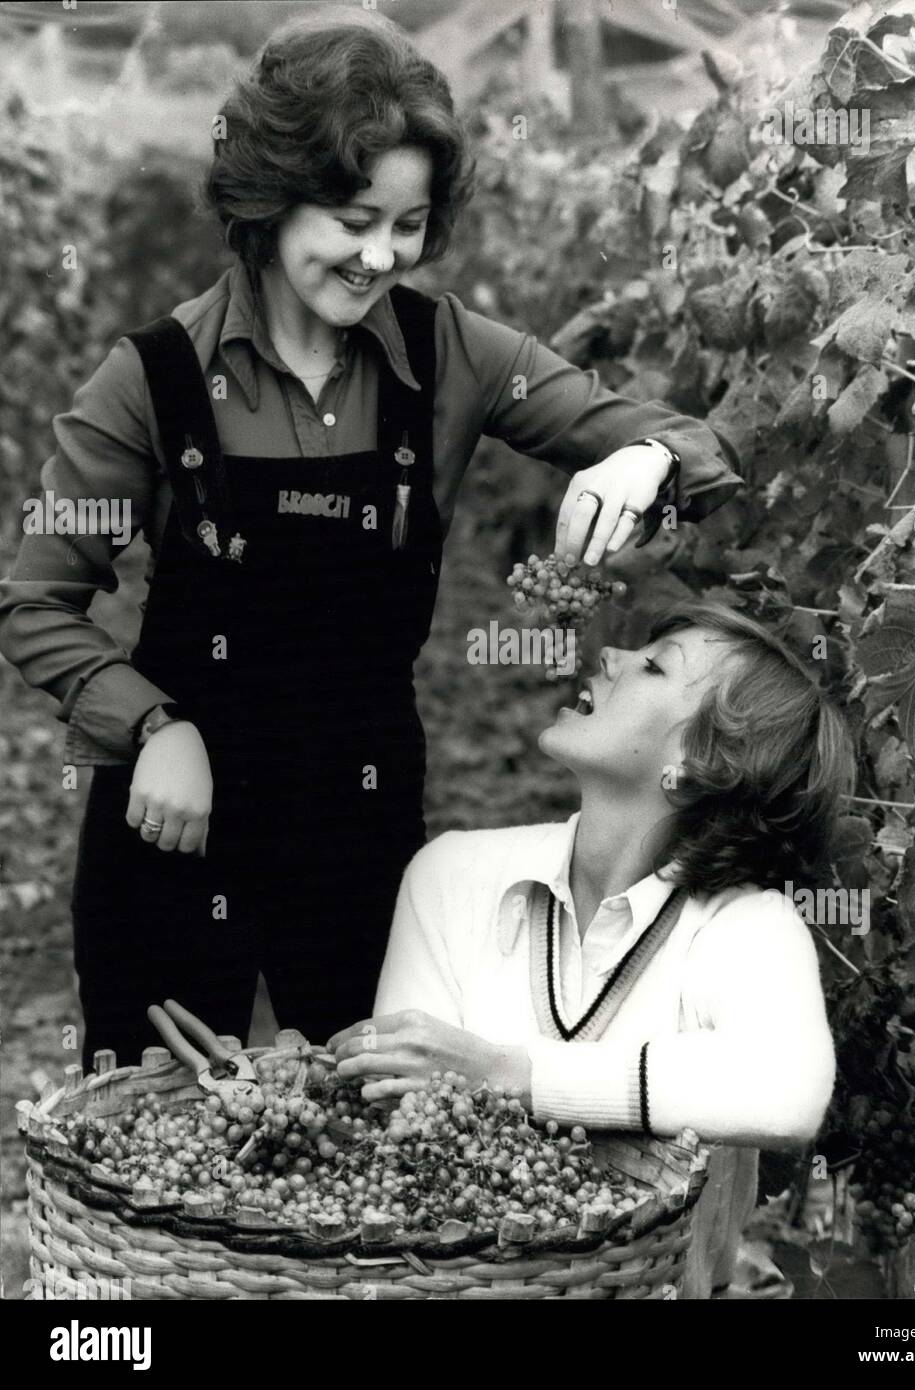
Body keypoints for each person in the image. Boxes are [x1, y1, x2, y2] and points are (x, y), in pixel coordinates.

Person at [0, 12, 741, 1065]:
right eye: (351, 220)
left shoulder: (455, 355)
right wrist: (154, 726)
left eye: (406, 226)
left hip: (356, 823)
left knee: (363, 1130)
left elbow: (687, 444)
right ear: (267, 200)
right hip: (173, 820)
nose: (379, 256)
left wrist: (643, 458)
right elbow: (34, 601)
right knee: (159, 1131)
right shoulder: (154, 379)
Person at [329, 603, 853, 1298]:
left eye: (654, 664)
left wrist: (507, 1072)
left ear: (696, 763)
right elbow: (406, 1135)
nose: (609, 656)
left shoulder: (745, 925)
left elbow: (786, 1094)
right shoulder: (452, 874)